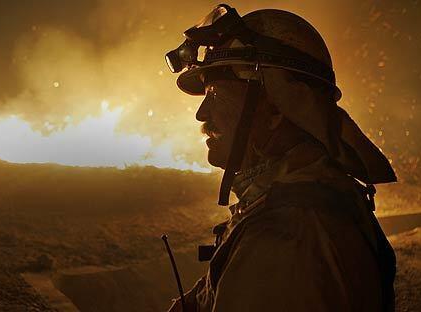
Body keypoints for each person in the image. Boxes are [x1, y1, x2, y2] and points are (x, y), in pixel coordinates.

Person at [165, 5, 396, 312]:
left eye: (215, 94)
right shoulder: (296, 196)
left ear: (275, 109)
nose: (201, 113)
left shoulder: (286, 239)